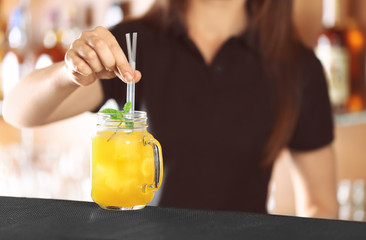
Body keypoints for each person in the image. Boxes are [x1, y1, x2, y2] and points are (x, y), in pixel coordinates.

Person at [3, 0, 338, 218]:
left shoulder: (297, 67)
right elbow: (17, 111)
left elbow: (320, 205)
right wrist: (69, 71)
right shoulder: (136, 43)